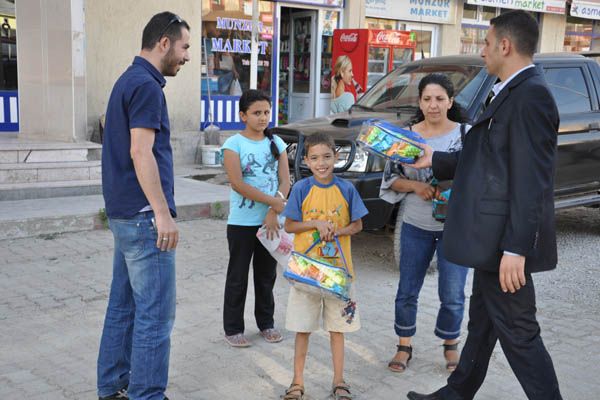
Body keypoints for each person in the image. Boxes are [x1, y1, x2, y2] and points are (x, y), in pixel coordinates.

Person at [406, 10, 562, 400]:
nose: (483, 50)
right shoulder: (507, 89)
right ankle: (457, 393)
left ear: (505, 46)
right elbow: (487, 157)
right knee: (483, 322)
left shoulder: (531, 96)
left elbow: (532, 183)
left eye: (487, 43)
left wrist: (516, 248)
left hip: (505, 243)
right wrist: (434, 160)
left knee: (520, 333)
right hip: (490, 240)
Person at [97, 11, 190, 400]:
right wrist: (163, 214)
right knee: (155, 316)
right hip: (143, 218)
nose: (186, 57)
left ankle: (113, 386)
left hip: (124, 214)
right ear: (164, 43)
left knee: (123, 307)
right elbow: (141, 151)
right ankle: (147, 394)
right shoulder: (147, 86)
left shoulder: (128, 79)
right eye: (184, 47)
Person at [379, 74, 470, 374]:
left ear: (451, 101)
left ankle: (450, 346)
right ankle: (404, 345)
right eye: (427, 99)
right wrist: (416, 187)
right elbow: (390, 178)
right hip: (415, 225)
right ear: (419, 102)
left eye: (440, 99)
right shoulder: (405, 136)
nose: (433, 105)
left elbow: (476, 176)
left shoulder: (465, 135)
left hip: (455, 228)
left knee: (453, 292)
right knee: (407, 288)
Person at [281, 133, 368, 400]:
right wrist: (315, 224)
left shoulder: (346, 189)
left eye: (327, 157)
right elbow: (289, 225)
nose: (322, 163)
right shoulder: (301, 189)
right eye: (315, 158)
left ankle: (339, 381)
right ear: (306, 160)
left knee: (338, 329)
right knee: (302, 328)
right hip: (306, 273)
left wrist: (338, 230)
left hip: (339, 274)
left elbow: (358, 224)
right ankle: (297, 382)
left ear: (336, 157)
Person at [221, 89, 290, 347]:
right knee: (237, 276)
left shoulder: (277, 143)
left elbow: (285, 180)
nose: (263, 118)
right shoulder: (233, 145)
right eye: (257, 113)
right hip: (241, 223)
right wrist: (273, 202)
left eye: (267, 112)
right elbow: (238, 184)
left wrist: (273, 211)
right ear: (243, 115)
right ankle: (233, 328)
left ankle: (266, 323)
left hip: (270, 223)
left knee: (266, 276)